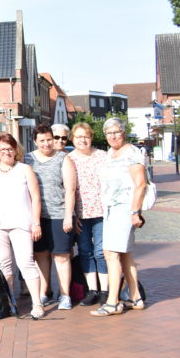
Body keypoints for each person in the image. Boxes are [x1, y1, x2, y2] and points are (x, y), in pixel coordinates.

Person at [0, 133, 46, 320]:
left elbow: (36, 198)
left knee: (26, 263)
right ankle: (9, 303)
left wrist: (36, 222)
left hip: (21, 223)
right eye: (3, 149)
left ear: (15, 150)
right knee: (4, 266)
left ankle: (37, 303)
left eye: (10, 149)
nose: (6, 152)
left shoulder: (25, 169)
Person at [92, 118, 146, 317]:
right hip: (110, 208)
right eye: (109, 133)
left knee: (111, 253)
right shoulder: (110, 153)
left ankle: (113, 302)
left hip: (123, 208)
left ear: (124, 133)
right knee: (125, 254)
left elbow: (141, 184)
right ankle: (135, 297)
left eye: (116, 132)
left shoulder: (131, 153)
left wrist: (135, 212)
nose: (113, 136)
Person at [25, 125, 77, 310]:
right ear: (35, 142)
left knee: (61, 256)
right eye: (42, 140)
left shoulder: (63, 158)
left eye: (49, 139)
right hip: (37, 216)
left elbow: (70, 189)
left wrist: (68, 216)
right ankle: (44, 292)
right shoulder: (28, 159)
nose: (46, 143)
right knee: (40, 255)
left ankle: (65, 295)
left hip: (58, 214)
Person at [68, 122, 109, 305]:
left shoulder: (102, 156)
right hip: (80, 214)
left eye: (86, 136)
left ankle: (105, 290)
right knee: (85, 251)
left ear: (91, 137)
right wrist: (72, 214)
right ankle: (92, 289)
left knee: (100, 251)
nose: (82, 140)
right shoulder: (69, 159)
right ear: (73, 139)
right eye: (78, 137)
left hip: (101, 211)